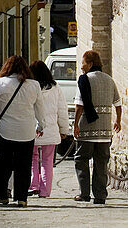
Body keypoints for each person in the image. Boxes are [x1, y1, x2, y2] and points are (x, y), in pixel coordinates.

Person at [0, 55, 46, 208]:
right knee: (24, 166)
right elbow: (40, 109)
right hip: (27, 132)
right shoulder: (34, 85)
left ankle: (2, 194)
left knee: (2, 165)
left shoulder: (0, 83)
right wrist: (41, 126)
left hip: (5, 131)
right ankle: (22, 197)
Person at [73, 49, 122, 205]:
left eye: (83, 64)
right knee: (101, 163)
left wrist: (75, 125)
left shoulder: (84, 80)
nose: (81, 67)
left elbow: (79, 106)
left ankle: (84, 193)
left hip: (87, 130)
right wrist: (118, 121)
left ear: (90, 64)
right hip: (105, 132)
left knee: (81, 159)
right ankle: (100, 196)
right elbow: (118, 103)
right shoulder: (110, 80)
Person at [29, 59, 69, 198]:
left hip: (32, 129)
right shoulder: (55, 87)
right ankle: (45, 190)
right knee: (47, 161)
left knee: (32, 158)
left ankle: (33, 185)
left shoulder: (29, 87)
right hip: (50, 129)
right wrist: (64, 129)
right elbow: (62, 110)